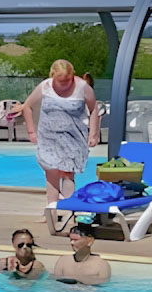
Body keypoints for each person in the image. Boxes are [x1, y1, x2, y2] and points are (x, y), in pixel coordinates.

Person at [22, 58, 101, 224]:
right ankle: (51, 211)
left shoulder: (82, 88)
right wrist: (31, 131)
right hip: (48, 137)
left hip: (72, 138)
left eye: (67, 80)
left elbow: (94, 109)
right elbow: (27, 107)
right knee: (51, 173)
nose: (64, 84)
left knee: (67, 173)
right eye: (60, 81)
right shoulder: (45, 87)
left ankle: (68, 210)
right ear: (52, 77)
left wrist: (93, 133)